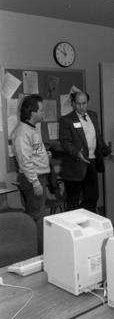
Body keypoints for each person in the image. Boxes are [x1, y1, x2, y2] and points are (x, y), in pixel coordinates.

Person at [59, 91, 111, 212]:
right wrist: (77, 153)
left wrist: (106, 150)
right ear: (73, 103)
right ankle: (75, 226)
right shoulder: (66, 120)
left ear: (88, 102)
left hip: (91, 162)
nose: (82, 107)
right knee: (73, 201)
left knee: (92, 197)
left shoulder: (93, 115)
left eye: (84, 103)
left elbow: (97, 136)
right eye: (78, 104)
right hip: (74, 165)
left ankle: (87, 224)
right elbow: (65, 142)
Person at [12, 94, 50, 254]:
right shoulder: (22, 132)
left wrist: (44, 155)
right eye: (41, 110)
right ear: (32, 112)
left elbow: (32, 153)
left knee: (39, 215)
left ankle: (39, 251)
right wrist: (35, 182)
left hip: (39, 177)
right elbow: (24, 160)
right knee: (38, 217)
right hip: (33, 180)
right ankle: (39, 255)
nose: (43, 112)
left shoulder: (31, 129)